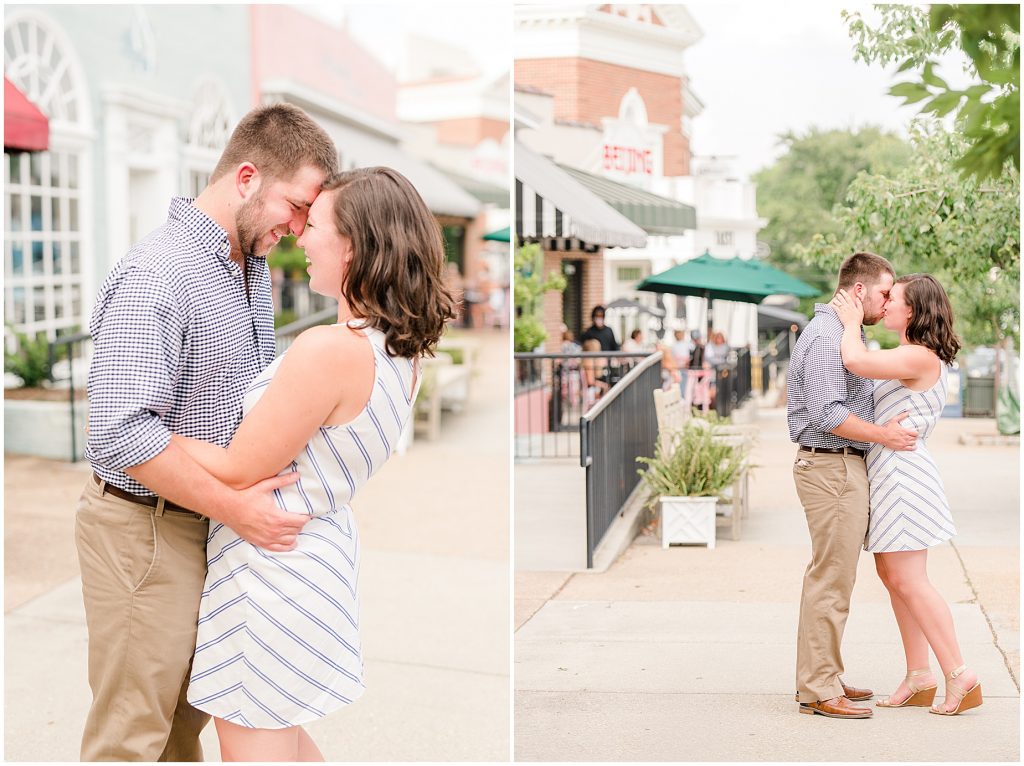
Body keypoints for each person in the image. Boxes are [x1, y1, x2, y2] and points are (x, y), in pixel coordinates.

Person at [78, 104, 338, 761]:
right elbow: (118, 432)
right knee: (132, 738)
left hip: (207, 528)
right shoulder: (156, 275)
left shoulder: (248, 268)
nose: (299, 227)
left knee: (181, 730)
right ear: (246, 177)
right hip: (145, 529)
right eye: (296, 205)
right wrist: (236, 509)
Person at [179, 167, 456, 759]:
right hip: (313, 563)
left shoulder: (330, 351)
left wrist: (141, 435)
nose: (299, 235)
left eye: (316, 224)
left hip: (267, 579)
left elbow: (235, 469)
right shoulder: (397, 353)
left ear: (355, 244)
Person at [831, 275, 981, 716]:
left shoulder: (916, 354)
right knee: (895, 578)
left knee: (910, 581)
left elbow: (855, 361)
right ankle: (919, 675)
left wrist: (850, 320)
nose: (884, 302)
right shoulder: (910, 354)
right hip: (891, 471)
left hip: (902, 476)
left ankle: (959, 673)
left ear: (912, 311)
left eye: (892, 298)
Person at [786, 251, 918, 719]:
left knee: (831, 578)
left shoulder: (840, 333)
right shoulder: (826, 336)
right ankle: (820, 689)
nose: (888, 303)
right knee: (831, 581)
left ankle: (822, 676)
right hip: (832, 468)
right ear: (858, 290)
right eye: (885, 293)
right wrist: (886, 435)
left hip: (837, 468)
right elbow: (827, 412)